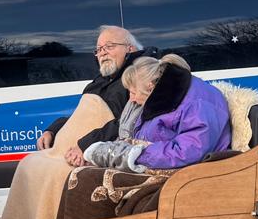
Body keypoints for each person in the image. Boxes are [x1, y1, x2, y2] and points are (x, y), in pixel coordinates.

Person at [82, 55, 232, 172]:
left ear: (150, 86)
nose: (132, 100)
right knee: (86, 173)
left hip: (196, 172)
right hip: (169, 164)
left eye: (133, 93)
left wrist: (136, 154)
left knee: (89, 182)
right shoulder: (163, 97)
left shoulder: (197, 105)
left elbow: (187, 152)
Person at [36, 25, 150, 162]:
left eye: (110, 46)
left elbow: (130, 122)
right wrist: (52, 130)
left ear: (130, 48)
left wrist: (86, 145)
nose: (103, 53)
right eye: (99, 49)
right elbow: (78, 118)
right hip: (73, 150)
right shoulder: (97, 83)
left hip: (102, 153)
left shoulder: (138, 78)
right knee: (30, 164)